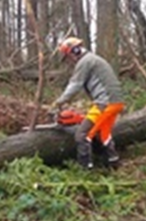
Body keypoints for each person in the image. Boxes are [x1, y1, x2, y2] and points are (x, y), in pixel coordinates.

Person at [50, 37, 125, 169]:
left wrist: (58, 103)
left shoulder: (85, 61)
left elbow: (75, 85)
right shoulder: (93, 59)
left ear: (75, 50)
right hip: (116, 102)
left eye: (68, 56)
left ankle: (85, 168)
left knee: (82, 135)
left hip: (105, 103)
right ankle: (113, 163)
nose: (69, 60)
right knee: (104, 134)